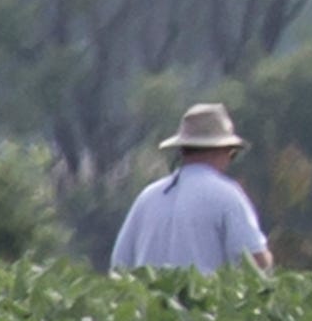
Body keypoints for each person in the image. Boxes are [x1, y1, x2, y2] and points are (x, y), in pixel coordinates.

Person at [109, 103, 273, 274]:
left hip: (149, 300)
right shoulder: (227, 195)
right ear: (222, 150)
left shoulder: (147, 197)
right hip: (205, 300)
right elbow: (257, 263)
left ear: (183, 150)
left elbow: (120, 266)